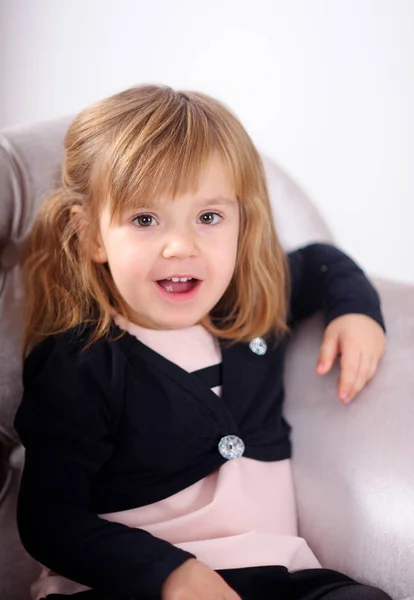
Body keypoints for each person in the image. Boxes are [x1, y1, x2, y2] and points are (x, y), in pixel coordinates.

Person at [14, 84, 391, 600]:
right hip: (138, 583)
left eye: (208, 217)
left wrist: (356, 312)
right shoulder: (83, 362)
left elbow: (323, 263)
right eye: (145, 220)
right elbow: (50, 519)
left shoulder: (252, 307)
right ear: (91, 237)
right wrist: (171, 572)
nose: (180, 245)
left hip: (278, 576)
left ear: (240, 222)